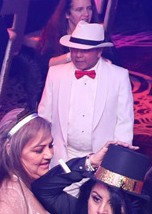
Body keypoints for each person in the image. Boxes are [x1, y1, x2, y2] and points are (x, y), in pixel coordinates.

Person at [37, 22, 134, 165]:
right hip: (62, 157)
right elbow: (44, 117)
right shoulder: (55, 74)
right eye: (74, 49)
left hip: (101, 159)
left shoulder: (119, 77)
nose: (78, 55)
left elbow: (124, 125)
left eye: (84, 51)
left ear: (99, 51)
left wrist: (115, 165)